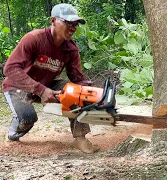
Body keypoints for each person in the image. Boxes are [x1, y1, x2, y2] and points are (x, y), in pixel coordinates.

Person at [2, 3, 98, 153]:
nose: (73, 27)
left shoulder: (71, 48)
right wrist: (41, 90)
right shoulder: (34, 38)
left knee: (78, 92)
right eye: (68, 22)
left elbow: (77, 78)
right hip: (17, 86)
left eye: (76, 24)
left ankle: (80, 138)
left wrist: (90, 93)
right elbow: (10, 69)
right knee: (28, 118)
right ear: (53, 20)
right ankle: (12, 136)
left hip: (46, 85)